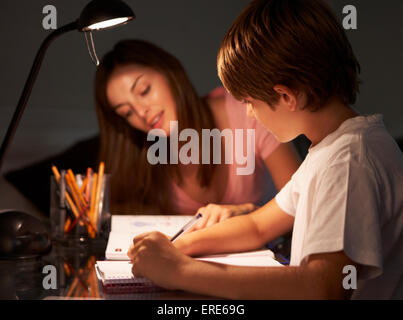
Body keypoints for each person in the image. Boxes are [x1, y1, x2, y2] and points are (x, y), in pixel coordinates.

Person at [127, 0, 403, 299]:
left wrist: (178, 271)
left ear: (285, 96)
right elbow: (259, 225)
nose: (248, 114)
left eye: (249, 102)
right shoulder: (329, 149)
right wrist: (176, 247)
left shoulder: (350, 161)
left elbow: (321, 286)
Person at [95, 39, 301, 230]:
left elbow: (303, 204)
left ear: (170, 73)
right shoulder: (146, 156)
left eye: (144, 91)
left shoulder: (248, 110)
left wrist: (248, 213)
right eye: (127, 113)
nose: (141, 112)